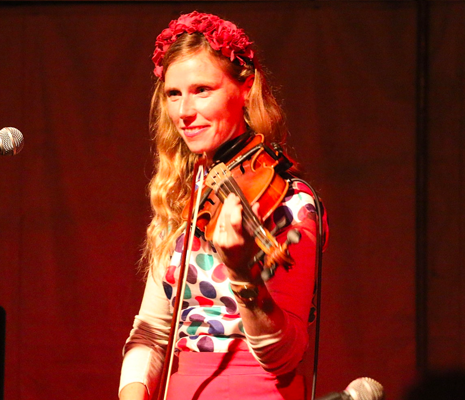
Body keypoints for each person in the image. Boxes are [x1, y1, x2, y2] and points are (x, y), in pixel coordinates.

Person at [119, 11, 328, 400]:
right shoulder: (182, 195)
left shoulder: (291, 200)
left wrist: (243, 275)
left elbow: (284, 356)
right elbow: (151, 330)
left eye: (202, 90)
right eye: (173, 94)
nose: (184, 112)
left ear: (245, 87)